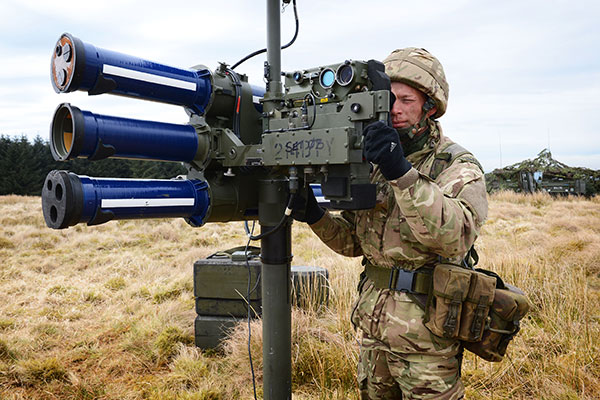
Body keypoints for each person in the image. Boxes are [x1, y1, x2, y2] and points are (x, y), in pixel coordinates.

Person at [292, 48, 488, 399]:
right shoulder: (372, 163)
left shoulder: (455, 165)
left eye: (406, 99)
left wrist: (401, 173)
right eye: (387, 98)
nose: (394, 108)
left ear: (430, 106)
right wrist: (315, 216)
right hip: (373, 332)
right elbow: (355, 243)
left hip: (428, 340)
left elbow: (455, 237)